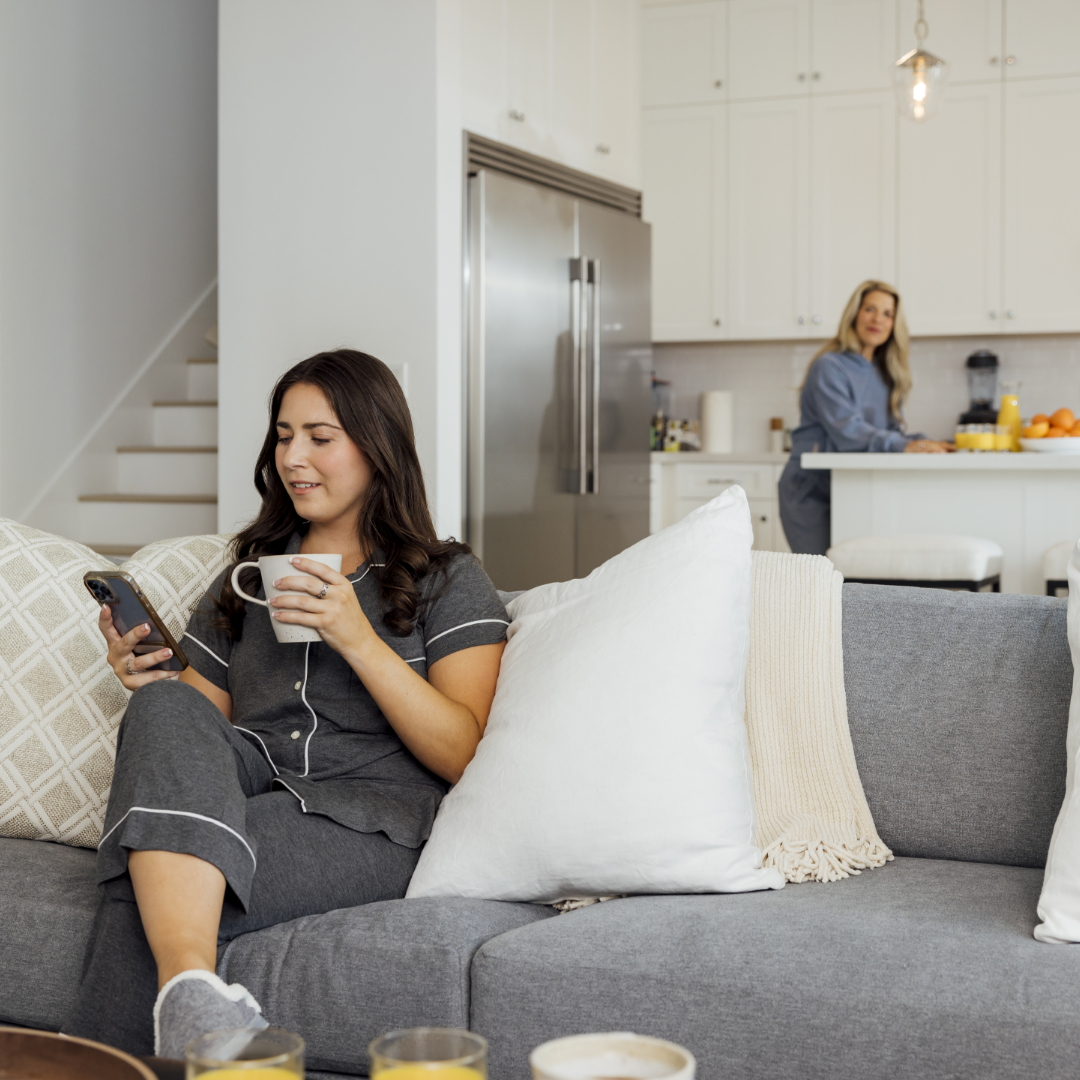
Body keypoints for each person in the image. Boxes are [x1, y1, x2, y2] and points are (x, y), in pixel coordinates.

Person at [62, 349, 509, 1057]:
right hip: (251, 786)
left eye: (320, 437)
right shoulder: (247, 572)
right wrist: (146, 681)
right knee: (164, 715)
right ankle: (194, 998)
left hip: (373, 816)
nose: (293, 456)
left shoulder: (446, 577)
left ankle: (157, 1014)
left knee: (147, 866)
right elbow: (199, 723)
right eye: (282, 435)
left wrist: (357, 637)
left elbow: (464, 753)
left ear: (378, 446)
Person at [778, 280, 953, 555]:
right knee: (822, 579)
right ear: (854, 314)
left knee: (856, 581)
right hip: (812, 489)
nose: (877, 320)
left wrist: (927, 443)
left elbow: (891, 430)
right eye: (870, 309)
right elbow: (849, 432)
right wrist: (907, 445)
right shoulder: (829, 366)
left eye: (887, 313)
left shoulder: (886, 373)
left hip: (856, 487)